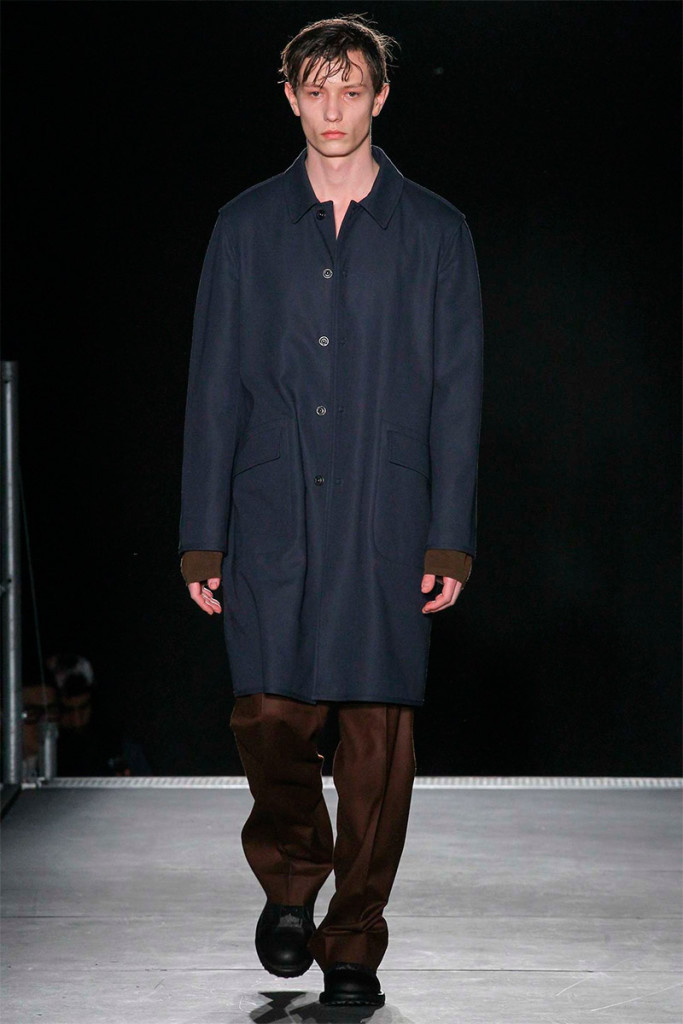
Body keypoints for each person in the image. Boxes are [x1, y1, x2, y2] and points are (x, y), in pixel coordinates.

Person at [178, 13, 483, 1008]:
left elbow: (456, 391)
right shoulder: (244, 226)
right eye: (315, 90)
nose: (333, 109)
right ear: (290, 98)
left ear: (380, 96)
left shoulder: (433, 231)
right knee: (268, 715)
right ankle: (291, 879)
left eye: (351, 89)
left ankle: (352, 945)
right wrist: (201, 536)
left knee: (376, 745)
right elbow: (212, 386)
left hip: (386, 513)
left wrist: (449, 535)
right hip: (269, 507)